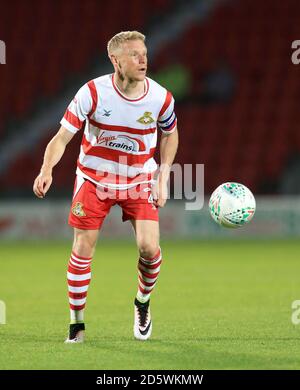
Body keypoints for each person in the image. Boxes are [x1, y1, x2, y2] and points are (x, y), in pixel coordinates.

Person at [33, 31, 179, 343]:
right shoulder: (92, 92)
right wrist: (47, 169)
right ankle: (77, 324)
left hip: (139, 178)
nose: (143, 60)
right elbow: (62, 137)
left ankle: (142, 303)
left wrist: (163, 174)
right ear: (115, 60)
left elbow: (171, 132)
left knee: (149, 249)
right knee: (83, 249)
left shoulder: (160, 97)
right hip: (94, 179)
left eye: (144, 53)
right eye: (134, 55)